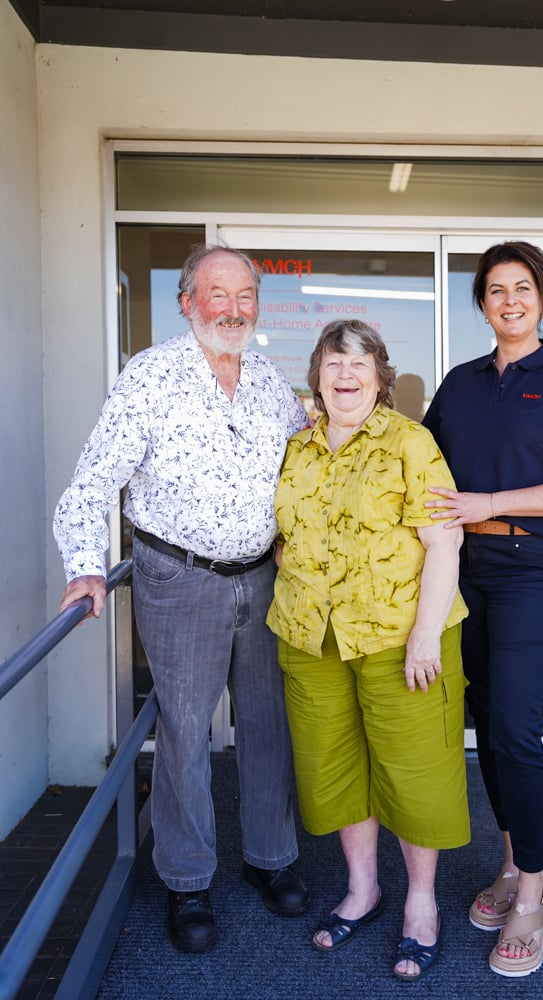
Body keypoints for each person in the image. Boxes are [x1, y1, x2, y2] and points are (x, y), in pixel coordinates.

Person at [53, 243, 311, 954]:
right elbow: (94, 480)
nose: (232, 308)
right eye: (216, 294)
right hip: (178, 578)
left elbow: (312, 464)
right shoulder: (150, 375)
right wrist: (84, 564)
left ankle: (270, 860)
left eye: (244, 295)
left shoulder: (266, 379)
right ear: (187, 302)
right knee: (185, 732)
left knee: (267, 725)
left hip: (263, 578)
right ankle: (188, 880)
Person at [422, 241, 543, 978]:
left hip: (534, 566)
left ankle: (532, 893)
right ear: (480, 303)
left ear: (540, 298)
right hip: (461, 566)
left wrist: (494, 503)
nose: (509, 300)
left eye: (522, 288)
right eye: (495, 290)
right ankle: (508, 863)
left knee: (513, 724)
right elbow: (419, 461)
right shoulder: (461, 383)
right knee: (484, 720)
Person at [266, 319, 470, 982]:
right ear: (316, 376)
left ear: (380, 378)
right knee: (337, 768)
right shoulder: (296, 448)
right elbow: (283, 538)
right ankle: (362, 889)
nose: (345, 375)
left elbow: (444, 543)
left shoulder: (411, 442)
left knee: (414, 771)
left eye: (359, 364)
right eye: (333, 363)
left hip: (398, 637)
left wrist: (422, 635)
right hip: (310, 638)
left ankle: (419, 904)